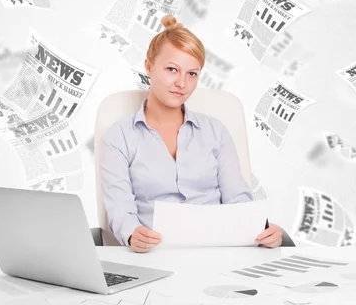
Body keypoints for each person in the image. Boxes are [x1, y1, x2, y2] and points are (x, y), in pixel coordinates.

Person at [100, 15, 283, 253]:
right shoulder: (120, 136)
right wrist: (133, 233)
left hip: (217, 251)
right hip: (154, 254)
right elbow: (120, 210)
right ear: (148, 67)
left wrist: (264, 230)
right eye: (172, 69)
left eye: (192, 74)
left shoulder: (215, 131)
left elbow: (238, 201)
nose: (182, 83)